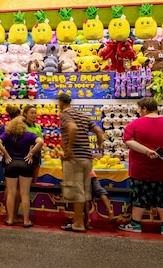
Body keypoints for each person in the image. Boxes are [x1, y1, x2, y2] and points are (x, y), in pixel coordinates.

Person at [119, 97, 163, 235]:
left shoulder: (134, 124)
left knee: (139, 197)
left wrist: (146, 151)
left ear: (144, 109)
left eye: (139, 109)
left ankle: (135, 224)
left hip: (140, 170)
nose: (139, 112)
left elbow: (128, 140)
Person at [58, 92, 104, 233]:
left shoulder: (65, 114)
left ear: (61, 103)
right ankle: (83, 221)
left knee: (76, 191)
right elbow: (98, 131)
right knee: (84, 191)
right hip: (87, 158)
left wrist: (69, 149)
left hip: (75, 159)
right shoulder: (82, 115)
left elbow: (72, 128)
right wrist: (100, 149)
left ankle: (78, 223)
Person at [0, 115, 44, 227]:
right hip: (25, 164)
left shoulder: (7, 134)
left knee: (11, 193)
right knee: (24, 194)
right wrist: (31, 153)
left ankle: (10, 219)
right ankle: (26, 221)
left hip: (11, 164)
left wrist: (6, 154)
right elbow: (40, 141)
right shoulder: (29, 135)